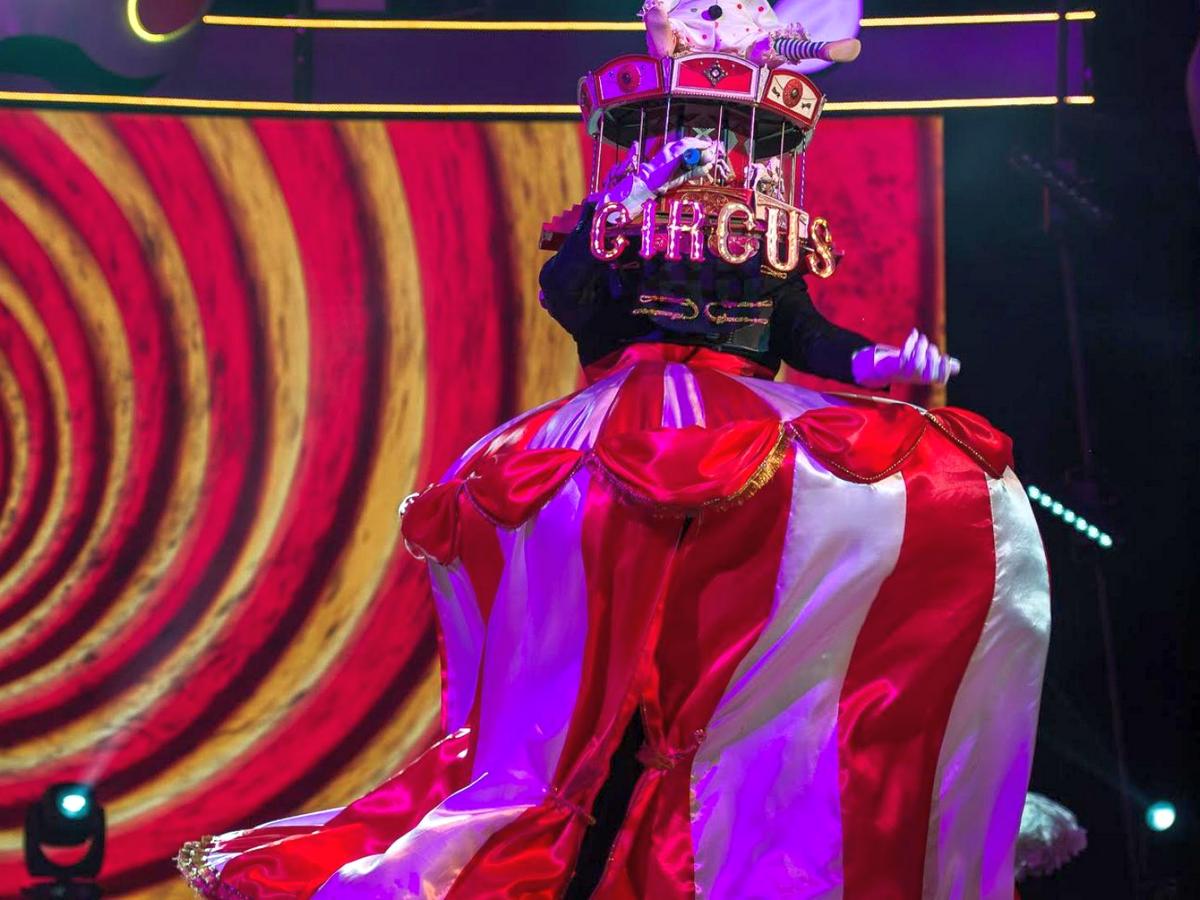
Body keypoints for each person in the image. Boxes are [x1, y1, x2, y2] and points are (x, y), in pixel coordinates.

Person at [178, 6, 1055, 897]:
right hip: (627, 415)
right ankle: (576, 782)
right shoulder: (618, 215)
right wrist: (642, 188)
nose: (712, 145)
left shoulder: (762, 232)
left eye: (724, 131)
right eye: (694, 125)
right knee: (593, 631)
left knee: (926, 485)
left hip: (746, 417)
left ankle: (764, 773)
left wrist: (879, 362)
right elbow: (569, 297)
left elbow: (804, 332)